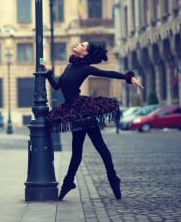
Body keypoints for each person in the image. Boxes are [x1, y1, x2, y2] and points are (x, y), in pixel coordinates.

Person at [44, 42, 144, 201]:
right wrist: (48, 75)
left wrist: (129, 78)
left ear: (85, 53)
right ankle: (70, 182)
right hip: (75, 113)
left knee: (99, 147)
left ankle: (110, 179)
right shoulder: (69, 66)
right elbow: (57, 87)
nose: (77, 44)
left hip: (84, 113)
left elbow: (108, 73)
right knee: (78, 150)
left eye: (82, 44)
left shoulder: (85, 68)